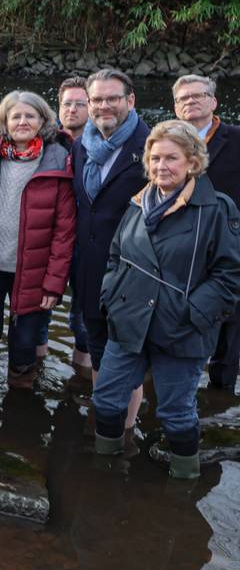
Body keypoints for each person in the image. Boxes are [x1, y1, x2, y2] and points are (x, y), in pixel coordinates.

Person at [92, 120, 240, 479]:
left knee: (176, 414)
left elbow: (229, 275)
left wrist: (193, 314)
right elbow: (116, 256)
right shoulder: (138, 203)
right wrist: (111, 297)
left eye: (171, 158)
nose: (161, 166)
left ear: (192, 162)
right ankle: (103, 473)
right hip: (129, 321)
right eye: (155, 158)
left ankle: (182, 487)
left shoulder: (217, 209)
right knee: (106, 401)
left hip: (182, 330)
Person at [0, 91, 75, 388]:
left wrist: (55, 283)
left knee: (25, 341)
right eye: (16, 116)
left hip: (33, 271)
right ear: (5, 121)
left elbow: (64, 232)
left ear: (43, 120)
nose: (23, 122)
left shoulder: (59, 161)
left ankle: (21, 402)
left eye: (30, 116)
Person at [72, 69, 150, 440]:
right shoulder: (81, 146)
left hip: (131, 274)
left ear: (130, 101)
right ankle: (103, 422)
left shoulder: (150, 147)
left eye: (112, 98)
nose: (105, 106)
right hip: (89, 268)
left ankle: (127, 431)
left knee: (127, 356)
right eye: (97, 100)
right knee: (98, 346)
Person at [172, 74, 240, 391]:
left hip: (230, 247)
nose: (191, 101)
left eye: (198, 95)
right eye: (184, 98)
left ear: (213, 102)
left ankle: (221, 395)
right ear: (175, 107)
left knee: (230, 326)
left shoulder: (236, 139)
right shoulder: (167, 142)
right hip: (184, 247)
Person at [53, 75, 91, 368]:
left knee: (83, 321)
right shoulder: (47, 142)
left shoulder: (101, 145)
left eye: (80, 103)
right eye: (67, 104)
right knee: (36, 315)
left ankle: (81, 382)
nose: (73, 109)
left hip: (86, 243)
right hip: (49, 241)